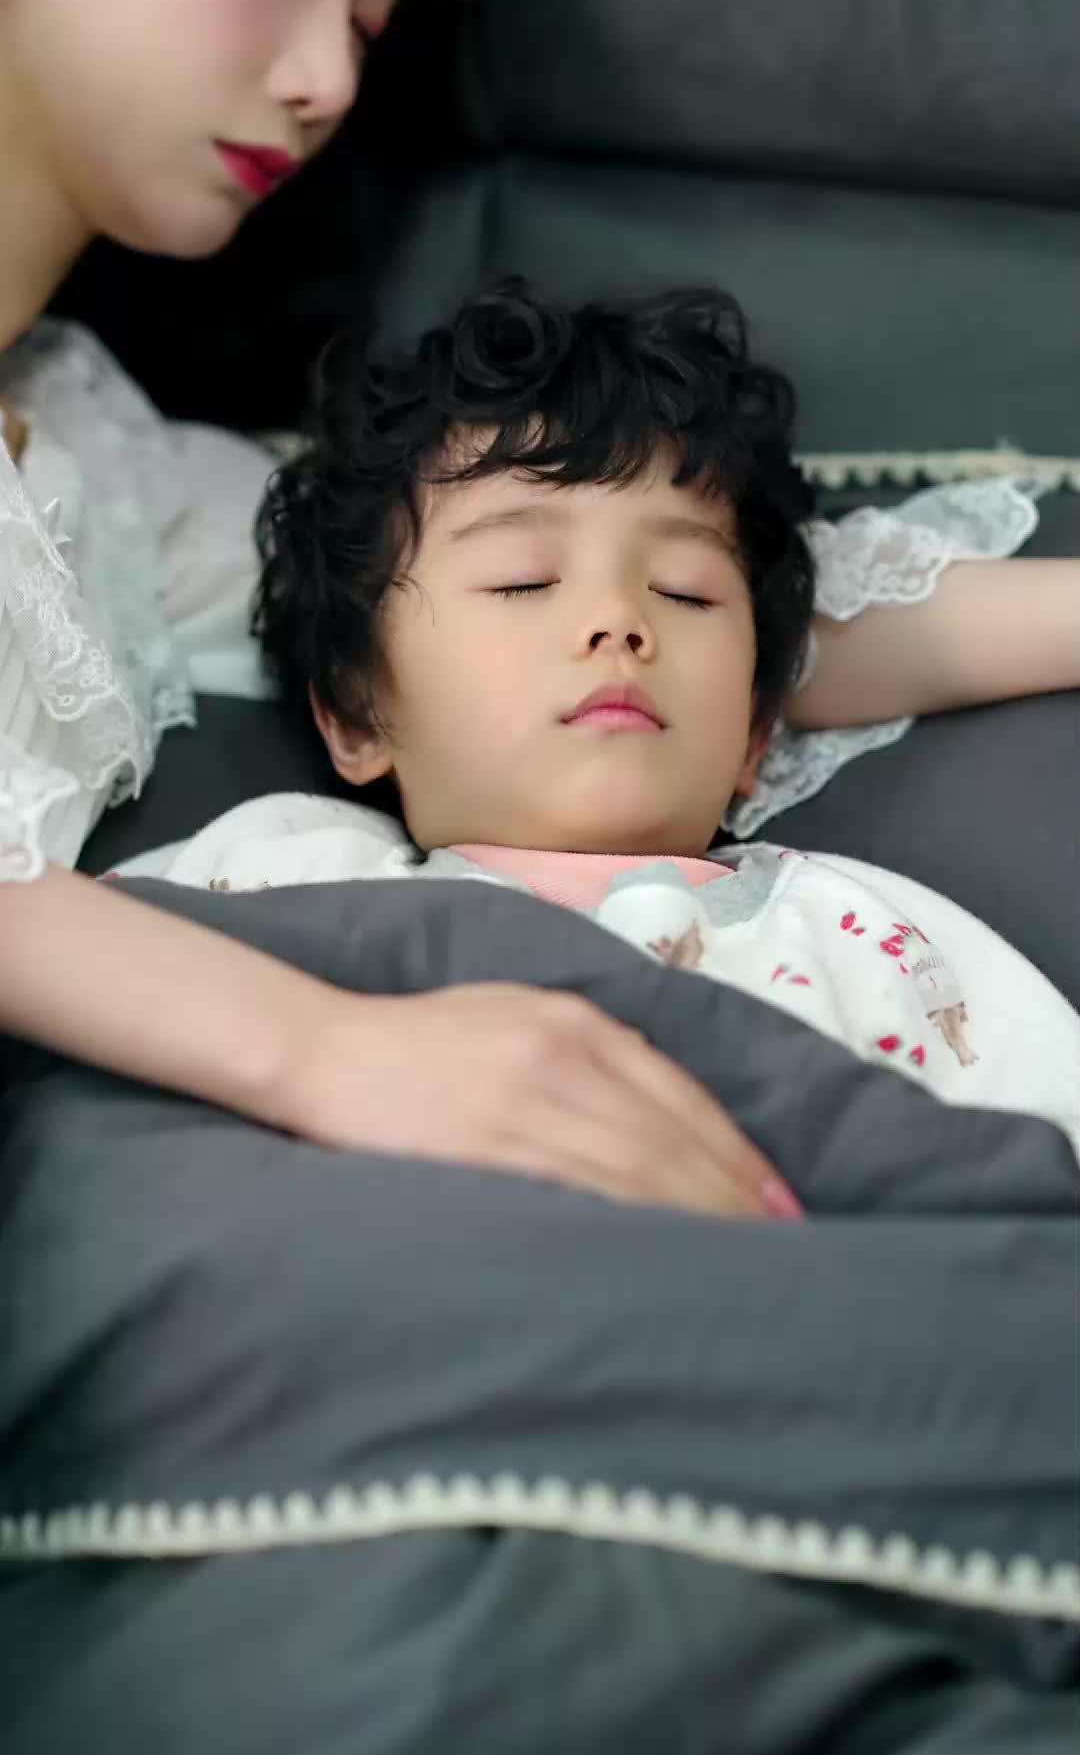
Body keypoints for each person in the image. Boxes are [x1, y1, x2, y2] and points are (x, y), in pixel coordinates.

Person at [0, 0, 1076, 1207]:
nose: (329, 82)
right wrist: (323, 1050)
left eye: (371, 24)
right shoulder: (299, 880)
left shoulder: (115, 467)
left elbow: (557, 594)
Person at [124, 282, 1080, 1169]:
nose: (619, 621)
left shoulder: (871, 936)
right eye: (523, 581)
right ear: (357, 716)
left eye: (685, 591)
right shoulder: (284, 869)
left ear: (755, 732)